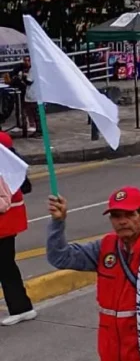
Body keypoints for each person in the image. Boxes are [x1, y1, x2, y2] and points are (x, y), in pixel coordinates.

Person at [46, 187, 140, 360]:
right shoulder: (105, 247)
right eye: (116, 216)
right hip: (112, 349)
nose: (122, 221)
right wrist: (57, 222)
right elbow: (60, 258)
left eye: (129, 215)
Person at [0, 132, 34, 326]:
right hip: (9, 217)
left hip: (5, 219)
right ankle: (21, 306)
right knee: (6, 265)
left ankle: (21, 308)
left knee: (5, 266)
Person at [8, 57, 37, 138]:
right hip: (21, 91)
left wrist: (24, 77)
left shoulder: (33, 68)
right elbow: (11, 75)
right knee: (20, 108)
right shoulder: (19, 67)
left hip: (31, 92)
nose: (26, 62)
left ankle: (33, 125)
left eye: (28, 60)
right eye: (25, 60)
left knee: (31, 109)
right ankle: (21, 124)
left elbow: (29, 81)